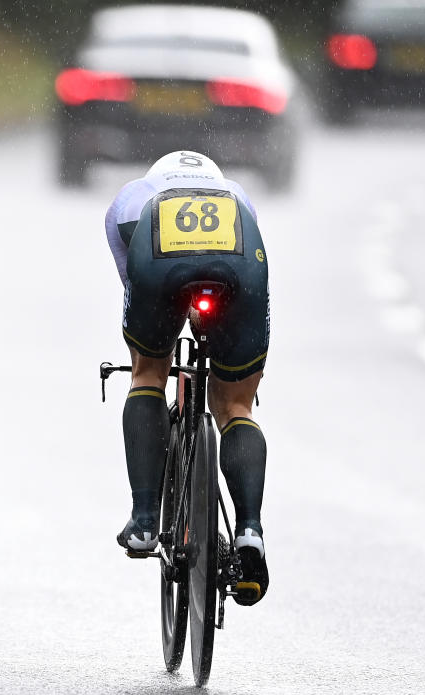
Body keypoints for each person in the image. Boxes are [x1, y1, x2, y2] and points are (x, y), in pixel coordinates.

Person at [105, 150, 270, 605]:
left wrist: (163, 331)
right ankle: (250, 530)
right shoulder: (236, 195)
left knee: (148, 371)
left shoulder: (132, 198)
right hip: (237, 267)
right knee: (236, 404)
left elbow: (133, 281)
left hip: (160, 264)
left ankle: (143, 521)